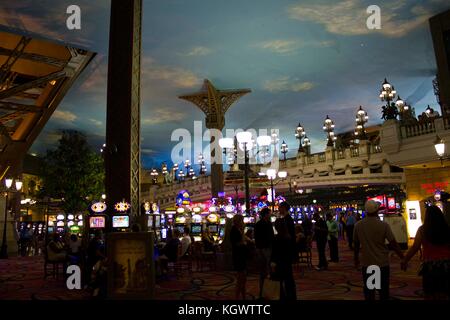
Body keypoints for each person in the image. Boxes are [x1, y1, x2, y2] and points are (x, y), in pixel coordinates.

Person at [354, 200, 404, 300]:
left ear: (366, 211)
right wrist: (403, 257)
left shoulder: (358, 225)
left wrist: (356, 259)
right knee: (383, 292)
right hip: (382, 263)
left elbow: (356, 245)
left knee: (369, 292)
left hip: (367, 263)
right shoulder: (383, 225)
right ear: (377, 211)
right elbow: (393, 243)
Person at [401, 205, 450, 300]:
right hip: (446, 265)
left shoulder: (423, 230)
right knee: (445, 292)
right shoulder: (447, 229)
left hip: (430, 266)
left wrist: (405, 260)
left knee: (430, 293)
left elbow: (415, 247)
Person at [270, 219, 296, 300]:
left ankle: (282, 297)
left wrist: (272, 263)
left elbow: (274, 253)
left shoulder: (276, 238)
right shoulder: (288, 237)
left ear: (277, 227)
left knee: (278, 283)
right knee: (289, 282)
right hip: (287, 263)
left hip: (278, 263)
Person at [254, 207, 274, 299]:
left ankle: (265, 292)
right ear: (265, 214)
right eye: (269, 213)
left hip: (264, 248)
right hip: (264, 248)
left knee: (265, 271)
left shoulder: (260, 224)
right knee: (266, 270)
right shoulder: (264, 224)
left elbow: (256, 237)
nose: (270, 215)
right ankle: (265, 292)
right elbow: (269, 237)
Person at [230, 215, 249, 300]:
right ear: (238, 221)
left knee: (243, 278)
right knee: (240, 278)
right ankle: (237, 297)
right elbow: (238, 243)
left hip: (242, 255)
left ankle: (243, 296)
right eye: (242, 220)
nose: (243, 222)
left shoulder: (238, 229)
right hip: (238, 256)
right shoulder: (234, 230)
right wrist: (245, 243)